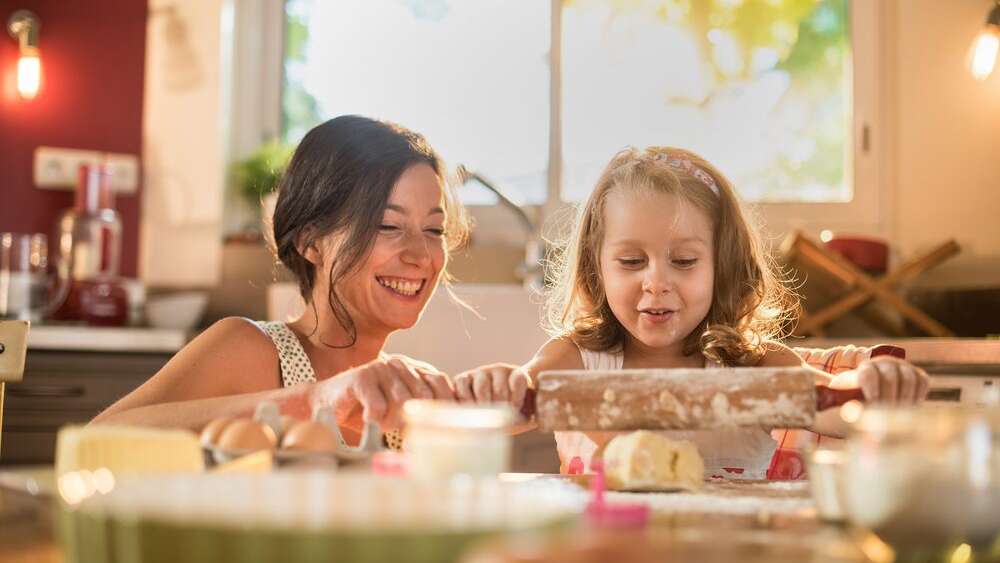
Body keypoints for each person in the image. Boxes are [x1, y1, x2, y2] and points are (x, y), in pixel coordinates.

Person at [455, 146, 929, 478]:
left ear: (721, 267)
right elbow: (515, 402)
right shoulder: (578, 359)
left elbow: (833, 406)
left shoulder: (752, 365)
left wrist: (872, 387)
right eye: (631, 261)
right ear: (597, 270)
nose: (656, 281)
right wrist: (499, 388)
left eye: (683, 261)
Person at [93, 116, 468, 448]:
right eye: (387, 225)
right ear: (311, 243)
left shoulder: (408, 392)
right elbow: (96, 444)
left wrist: (518, 395)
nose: (420, 255)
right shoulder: (250, 350)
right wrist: (315, 400)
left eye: (434, 230)